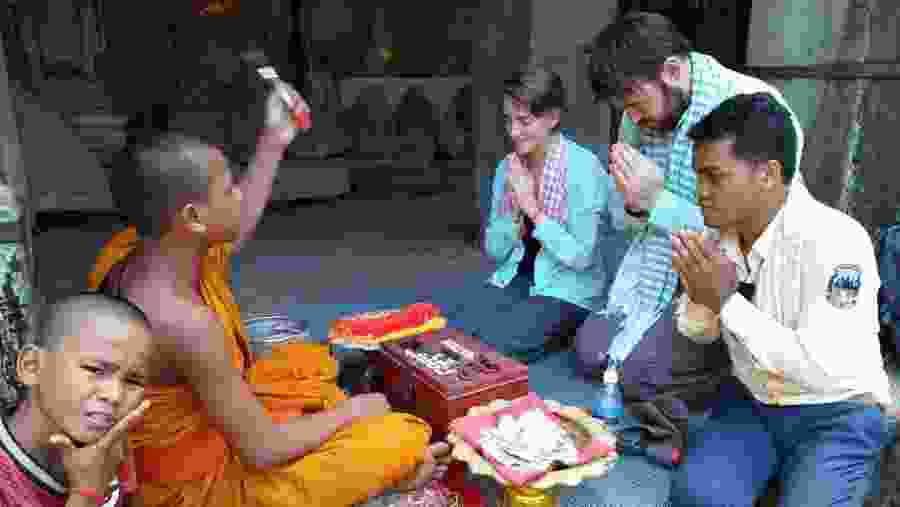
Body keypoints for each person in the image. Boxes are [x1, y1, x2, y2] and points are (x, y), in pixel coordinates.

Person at [86, 80, 450, 506]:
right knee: (399, 436)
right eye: (227, 190)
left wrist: (274, 139)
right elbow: (264, 449)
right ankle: (391, 476)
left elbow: (234, 231)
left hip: (206, 432)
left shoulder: (137, 250)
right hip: (196, 489)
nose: (238, 195)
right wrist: (353, 412)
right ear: (193, 217)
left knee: (305, 364)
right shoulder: (183, 321)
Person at [669, 92, 896, 506]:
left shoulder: (836, 241)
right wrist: (698, 293)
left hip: (837, 410)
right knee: (697, 498)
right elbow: (696, 331)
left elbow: (820, 365)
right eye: (698, 176)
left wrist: (725, 299)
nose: (701, 192)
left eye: (714, 177)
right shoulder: (720, 237)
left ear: (768, 175)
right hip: (753, 400)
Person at [575, 11, 805, 415]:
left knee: (633, 374)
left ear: (673, 70)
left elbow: (754, 231)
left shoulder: (749, 107)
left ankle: (741, 366)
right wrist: (633, 202)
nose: (632, 117)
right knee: (592, 351)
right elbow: (629, 226)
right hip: (663, 265)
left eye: (635, 101)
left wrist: (657, 201)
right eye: (623, 107)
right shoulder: (641, 118)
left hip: (736, 278)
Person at [447, 63, 609, 363]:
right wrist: (513, 214)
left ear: (552, 118)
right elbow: (495, 251)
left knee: (492, 349)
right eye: (508, 120)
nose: (513, 132)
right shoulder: (508, 168)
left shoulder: (584, 170)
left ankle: (566, 329)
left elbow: (581, 257)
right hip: (515, 277)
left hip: (566, 288)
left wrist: (532, 209)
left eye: (524, 121)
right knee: (454, 333)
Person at [0, 292, 152, 506]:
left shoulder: (110, 447)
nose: (115, 395)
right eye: (95, 369)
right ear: (32, 367)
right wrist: (87, 493)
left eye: (134, 382)